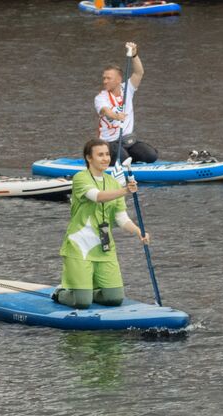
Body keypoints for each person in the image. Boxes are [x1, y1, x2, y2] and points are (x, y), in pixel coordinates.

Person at [54, 139, 151, 309]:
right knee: (82, 303)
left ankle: (86, 289)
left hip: (104, 248)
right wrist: (126, 190)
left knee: (114, 298)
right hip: (79, 246)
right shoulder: (80, 178)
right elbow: (97, 196)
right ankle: (60, 292)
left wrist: (139, 232)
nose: (105, 158)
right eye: (100, 155)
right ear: (89, 158)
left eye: (107, 154)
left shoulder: (113, 182)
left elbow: (122, 219)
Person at [96, 42, 157, 165]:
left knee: (151, 156)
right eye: (104, 78)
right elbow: (105, 111)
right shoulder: (100, 97)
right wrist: (116, 116)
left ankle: (129, 159)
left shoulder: (127, 88)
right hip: (109, 142)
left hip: (128, 141)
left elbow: (139, 73)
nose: (105, 81)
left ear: (119, 79)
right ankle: (118, 159)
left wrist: (134, 55)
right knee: (123, 158)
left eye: (108, 78)